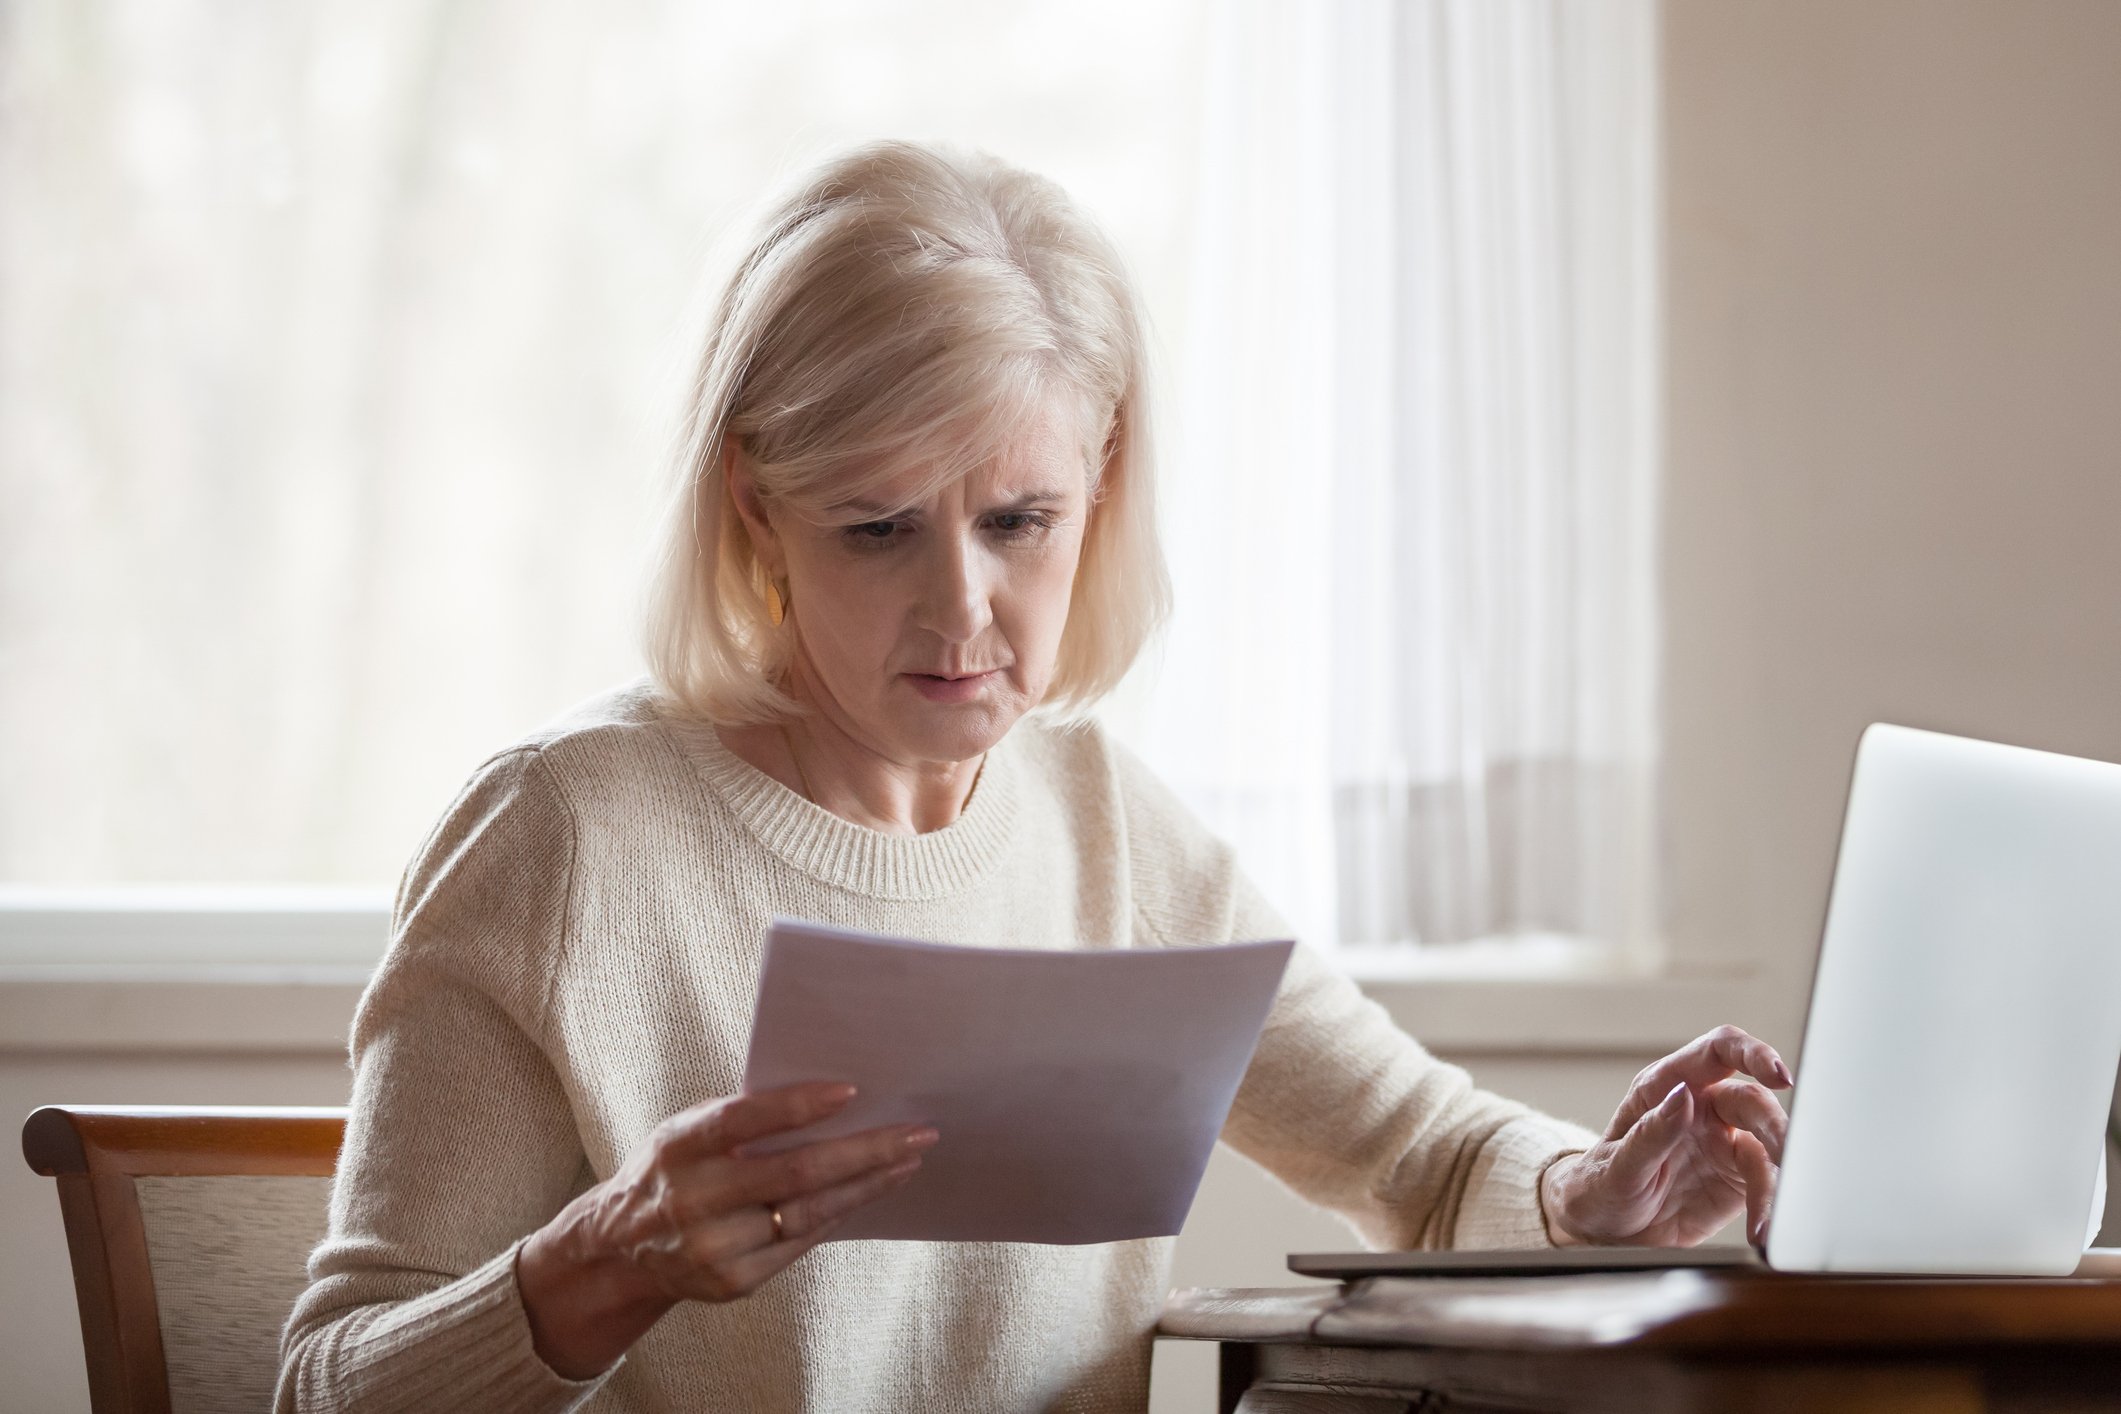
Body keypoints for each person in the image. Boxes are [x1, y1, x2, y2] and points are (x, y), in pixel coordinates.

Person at [276, 138, 1789, 1414]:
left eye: (1019, 521)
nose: (961, 611)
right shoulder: (567, 835)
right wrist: (610, 1256)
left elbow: (1427, 1155)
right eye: (877, 528)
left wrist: (1583, 1197)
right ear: (755, 503)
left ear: (1101, 485)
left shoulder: (1103, 824)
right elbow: (326, 1382)